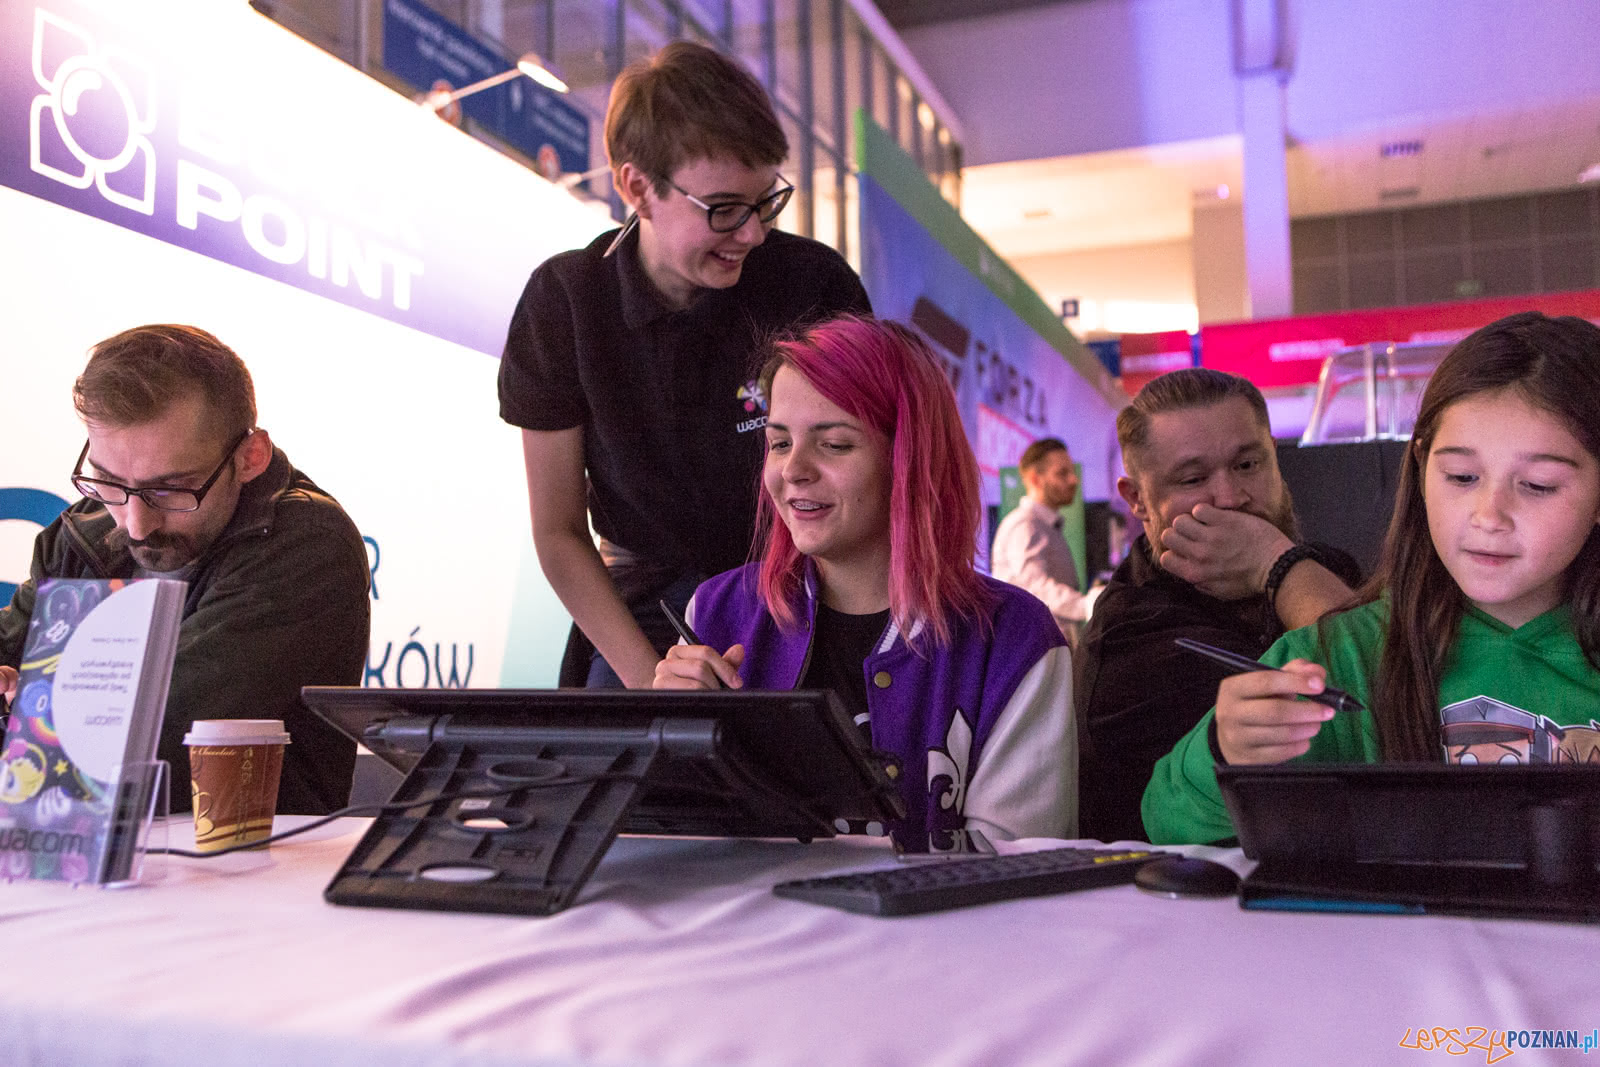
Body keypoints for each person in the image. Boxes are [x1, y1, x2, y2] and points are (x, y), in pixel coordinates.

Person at [1143, 312, 1600, 844]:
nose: (1488, 515)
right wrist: (1227, 749)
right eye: (1461, 477)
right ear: (1423, 469)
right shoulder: (1342, 655)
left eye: (1538, 485)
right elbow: (1165, 820)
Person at [499, 41, 870, 690]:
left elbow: (871, 478)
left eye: (765, 203)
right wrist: (650, 681)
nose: (752, 234)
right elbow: (558, 532)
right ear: (637, 186)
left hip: (808, 594)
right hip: (647, 617)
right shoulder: (566, 304)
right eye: (725, 210)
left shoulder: (811, 286)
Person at [653, 316, 1076, 843]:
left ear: (910, 460)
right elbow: (686, 854)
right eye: (779, 443)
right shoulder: (715, 611)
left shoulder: (1015, 639)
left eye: (834, 445)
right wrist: (670, 745)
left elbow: (1016, 872)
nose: (793, 470)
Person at [0, 325, 370, 815]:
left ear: (249, 457)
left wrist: (27, 706)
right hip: (60, 857)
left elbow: (151, 734)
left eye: (170, 490)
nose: (135, 525)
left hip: (240, 872)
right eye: (109, 482)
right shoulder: (81, 534)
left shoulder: (308, 545)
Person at [1074, 368, 1360, 843]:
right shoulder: (1134, 639)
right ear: (1138, 500)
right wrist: (1273, 561)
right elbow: (1375, 697)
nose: (1230, 497)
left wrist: (1281, 565)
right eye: (1193, 478)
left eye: (1248, 465)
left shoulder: (1324, 567)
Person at [991, 437, 1089, 644]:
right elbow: (1034, 586)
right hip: (1038, 646)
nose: (1074, 480)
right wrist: (1086, 605)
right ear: (1035, 480)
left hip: (1047, 644)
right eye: (1062, 473)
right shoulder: (1024, 524)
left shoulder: (1040, 524)